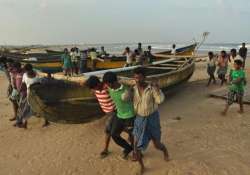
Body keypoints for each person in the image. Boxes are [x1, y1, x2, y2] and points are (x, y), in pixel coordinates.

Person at [131, 67, 169, 174]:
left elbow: (160, 100)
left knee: (157, 144)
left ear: (144, 78)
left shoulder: (151, 88)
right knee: (136, 147)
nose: (137, 80)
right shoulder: (133, 89)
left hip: (152, 119)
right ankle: (142, 166)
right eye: (135, 78)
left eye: (139, 78)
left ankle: (165, 152)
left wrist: (157, 88)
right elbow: (124, 98)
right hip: (139, 119)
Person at [103, 72, 135, 159]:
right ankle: (128, 148)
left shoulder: (126, 91)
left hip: (130, 116)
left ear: (113, 82)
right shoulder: (110, 88)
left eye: (108, 83)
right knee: (114, 134)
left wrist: (130, 90)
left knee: (131, 135)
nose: (107, 85)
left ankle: (135, 151)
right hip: (119, 115)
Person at [86, 76, 116, 158]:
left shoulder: (107, 88)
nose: (93, 89)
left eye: (94, 87)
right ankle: (131, 136)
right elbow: (91, 89)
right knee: (124, 129)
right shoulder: (94, 89)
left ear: (98, 83)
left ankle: (105, 149)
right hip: (107, 113)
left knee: (107, 131)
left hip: (114, 112)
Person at [16, 64, 50, 128]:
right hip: (29, 95)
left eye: (29, 70)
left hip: (38, 95)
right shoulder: (25, 75)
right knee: (27, 109)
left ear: (31, 69)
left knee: (41, 107)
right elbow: (23, 84)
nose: (28, 72)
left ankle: (46, 121)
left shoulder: (37, 75)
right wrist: (19, 91)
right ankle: (25, 123)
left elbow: (42, 84)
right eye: (26, 71)